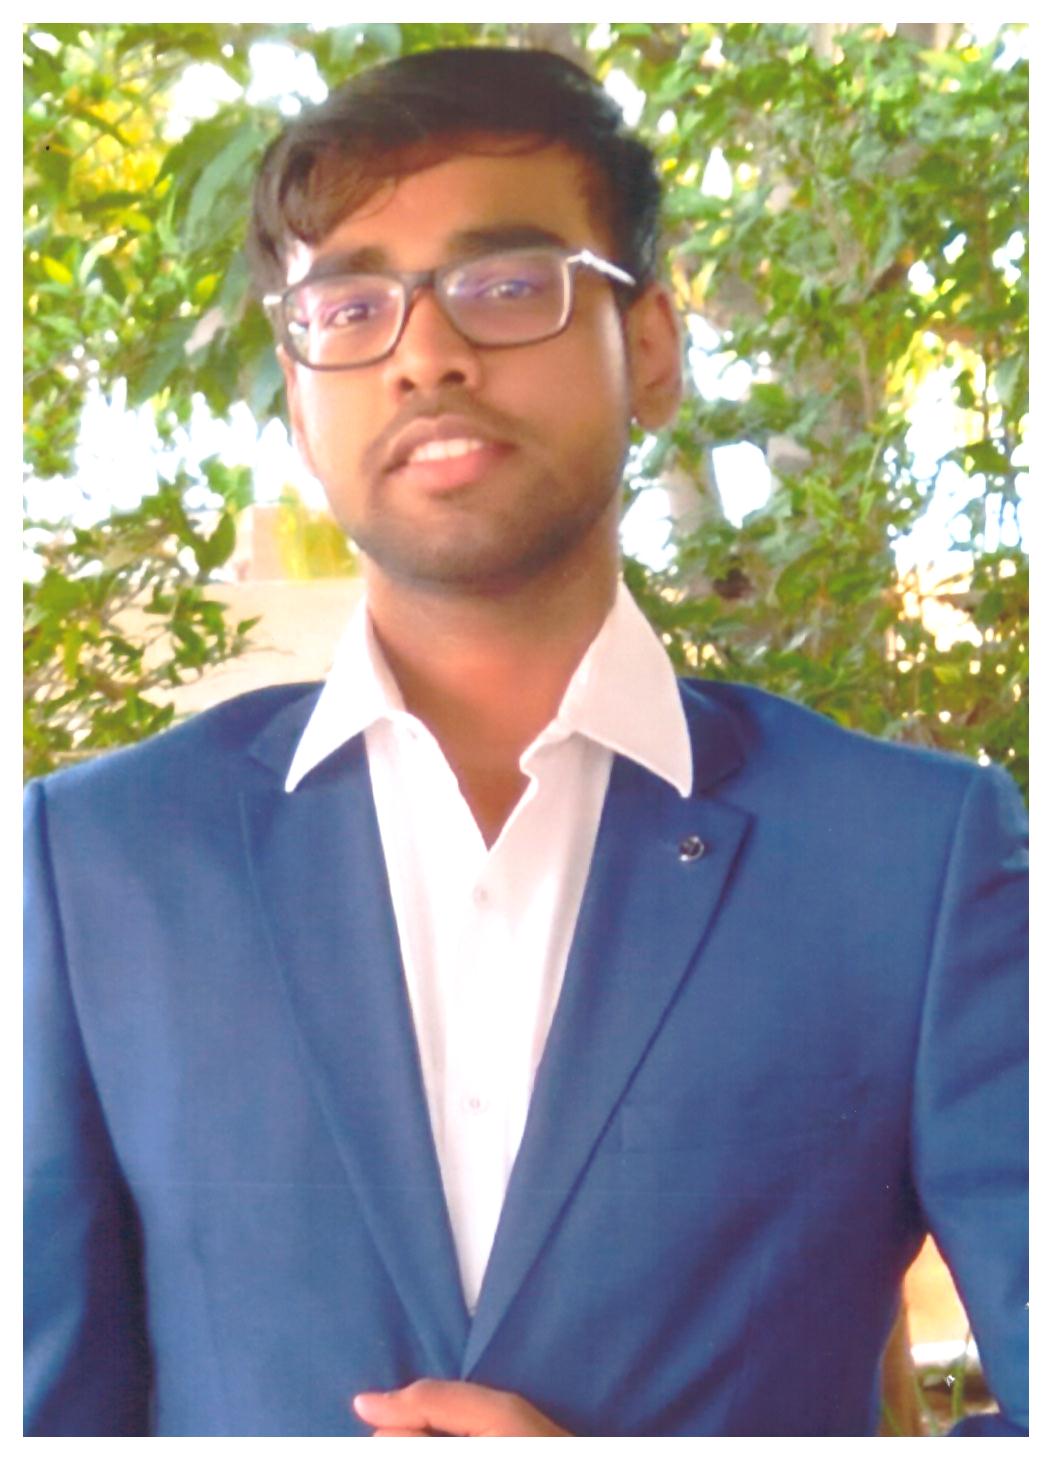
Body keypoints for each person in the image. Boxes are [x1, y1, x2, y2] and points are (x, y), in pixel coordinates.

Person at [23, 47, 1027, 1438]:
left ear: (651, 350)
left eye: (506, 285)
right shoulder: (99, 864)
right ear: (301, 401)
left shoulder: (908, 861)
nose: (425, 352)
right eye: (350, 307)